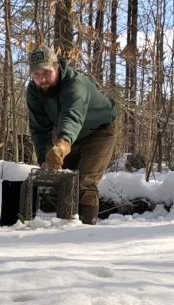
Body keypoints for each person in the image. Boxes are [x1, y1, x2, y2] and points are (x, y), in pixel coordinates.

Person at [26, 45, 117, 225]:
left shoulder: (75, 85)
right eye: (36, 74)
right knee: (60, 184)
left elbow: (72, 116)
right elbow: (39, 129)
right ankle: (63, 229)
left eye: (46, 72)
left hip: (99, 132)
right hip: (70, 137)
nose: (42, 79)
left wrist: (63, 143)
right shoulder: (34, 91)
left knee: (85, 183)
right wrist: (45, 159)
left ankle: (86, 232)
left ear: (57, 67)